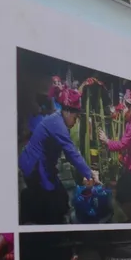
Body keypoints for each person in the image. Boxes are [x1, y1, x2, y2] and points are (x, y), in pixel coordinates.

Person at [20, 88, 96, 225]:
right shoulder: (57, 124)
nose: (75, 121)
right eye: (75, 117)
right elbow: (71, 152)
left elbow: (67, 152)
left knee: (60, 198)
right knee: (52, 205)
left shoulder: (57, 121)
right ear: (67, 112)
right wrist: (89, 173)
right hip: (34, 167)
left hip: (42, 166)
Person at [99, 89, 131, 214]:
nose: (123, 110)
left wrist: (107, 141)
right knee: (120, 189)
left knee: (122, 194)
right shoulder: (129, 124)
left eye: (125, 107)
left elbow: (122, 144)